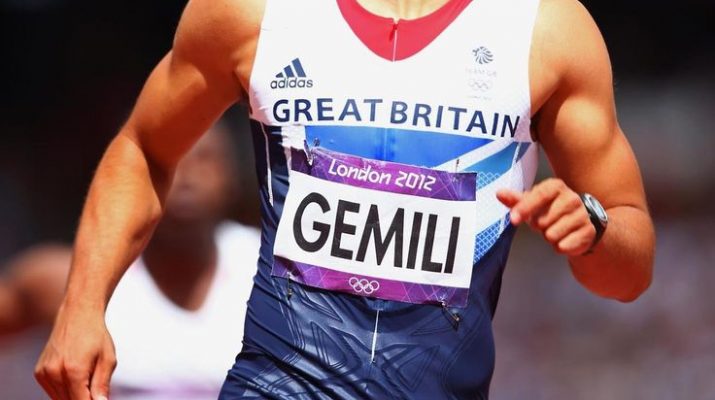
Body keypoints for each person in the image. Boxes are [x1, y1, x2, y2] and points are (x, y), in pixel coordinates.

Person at [35, 0, 655, 399]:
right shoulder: (254, 11)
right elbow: (144, 148)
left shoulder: (545, 29)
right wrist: (82, 308)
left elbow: (630, 269)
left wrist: (594, 229)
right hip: (277, 384)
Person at [2, 124, 260, 398]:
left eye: (204, 159)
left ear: (233, 178)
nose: (187, 175)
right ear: (127, 178)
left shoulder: (272, 270)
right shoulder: (68, 282)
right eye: (170, 159)